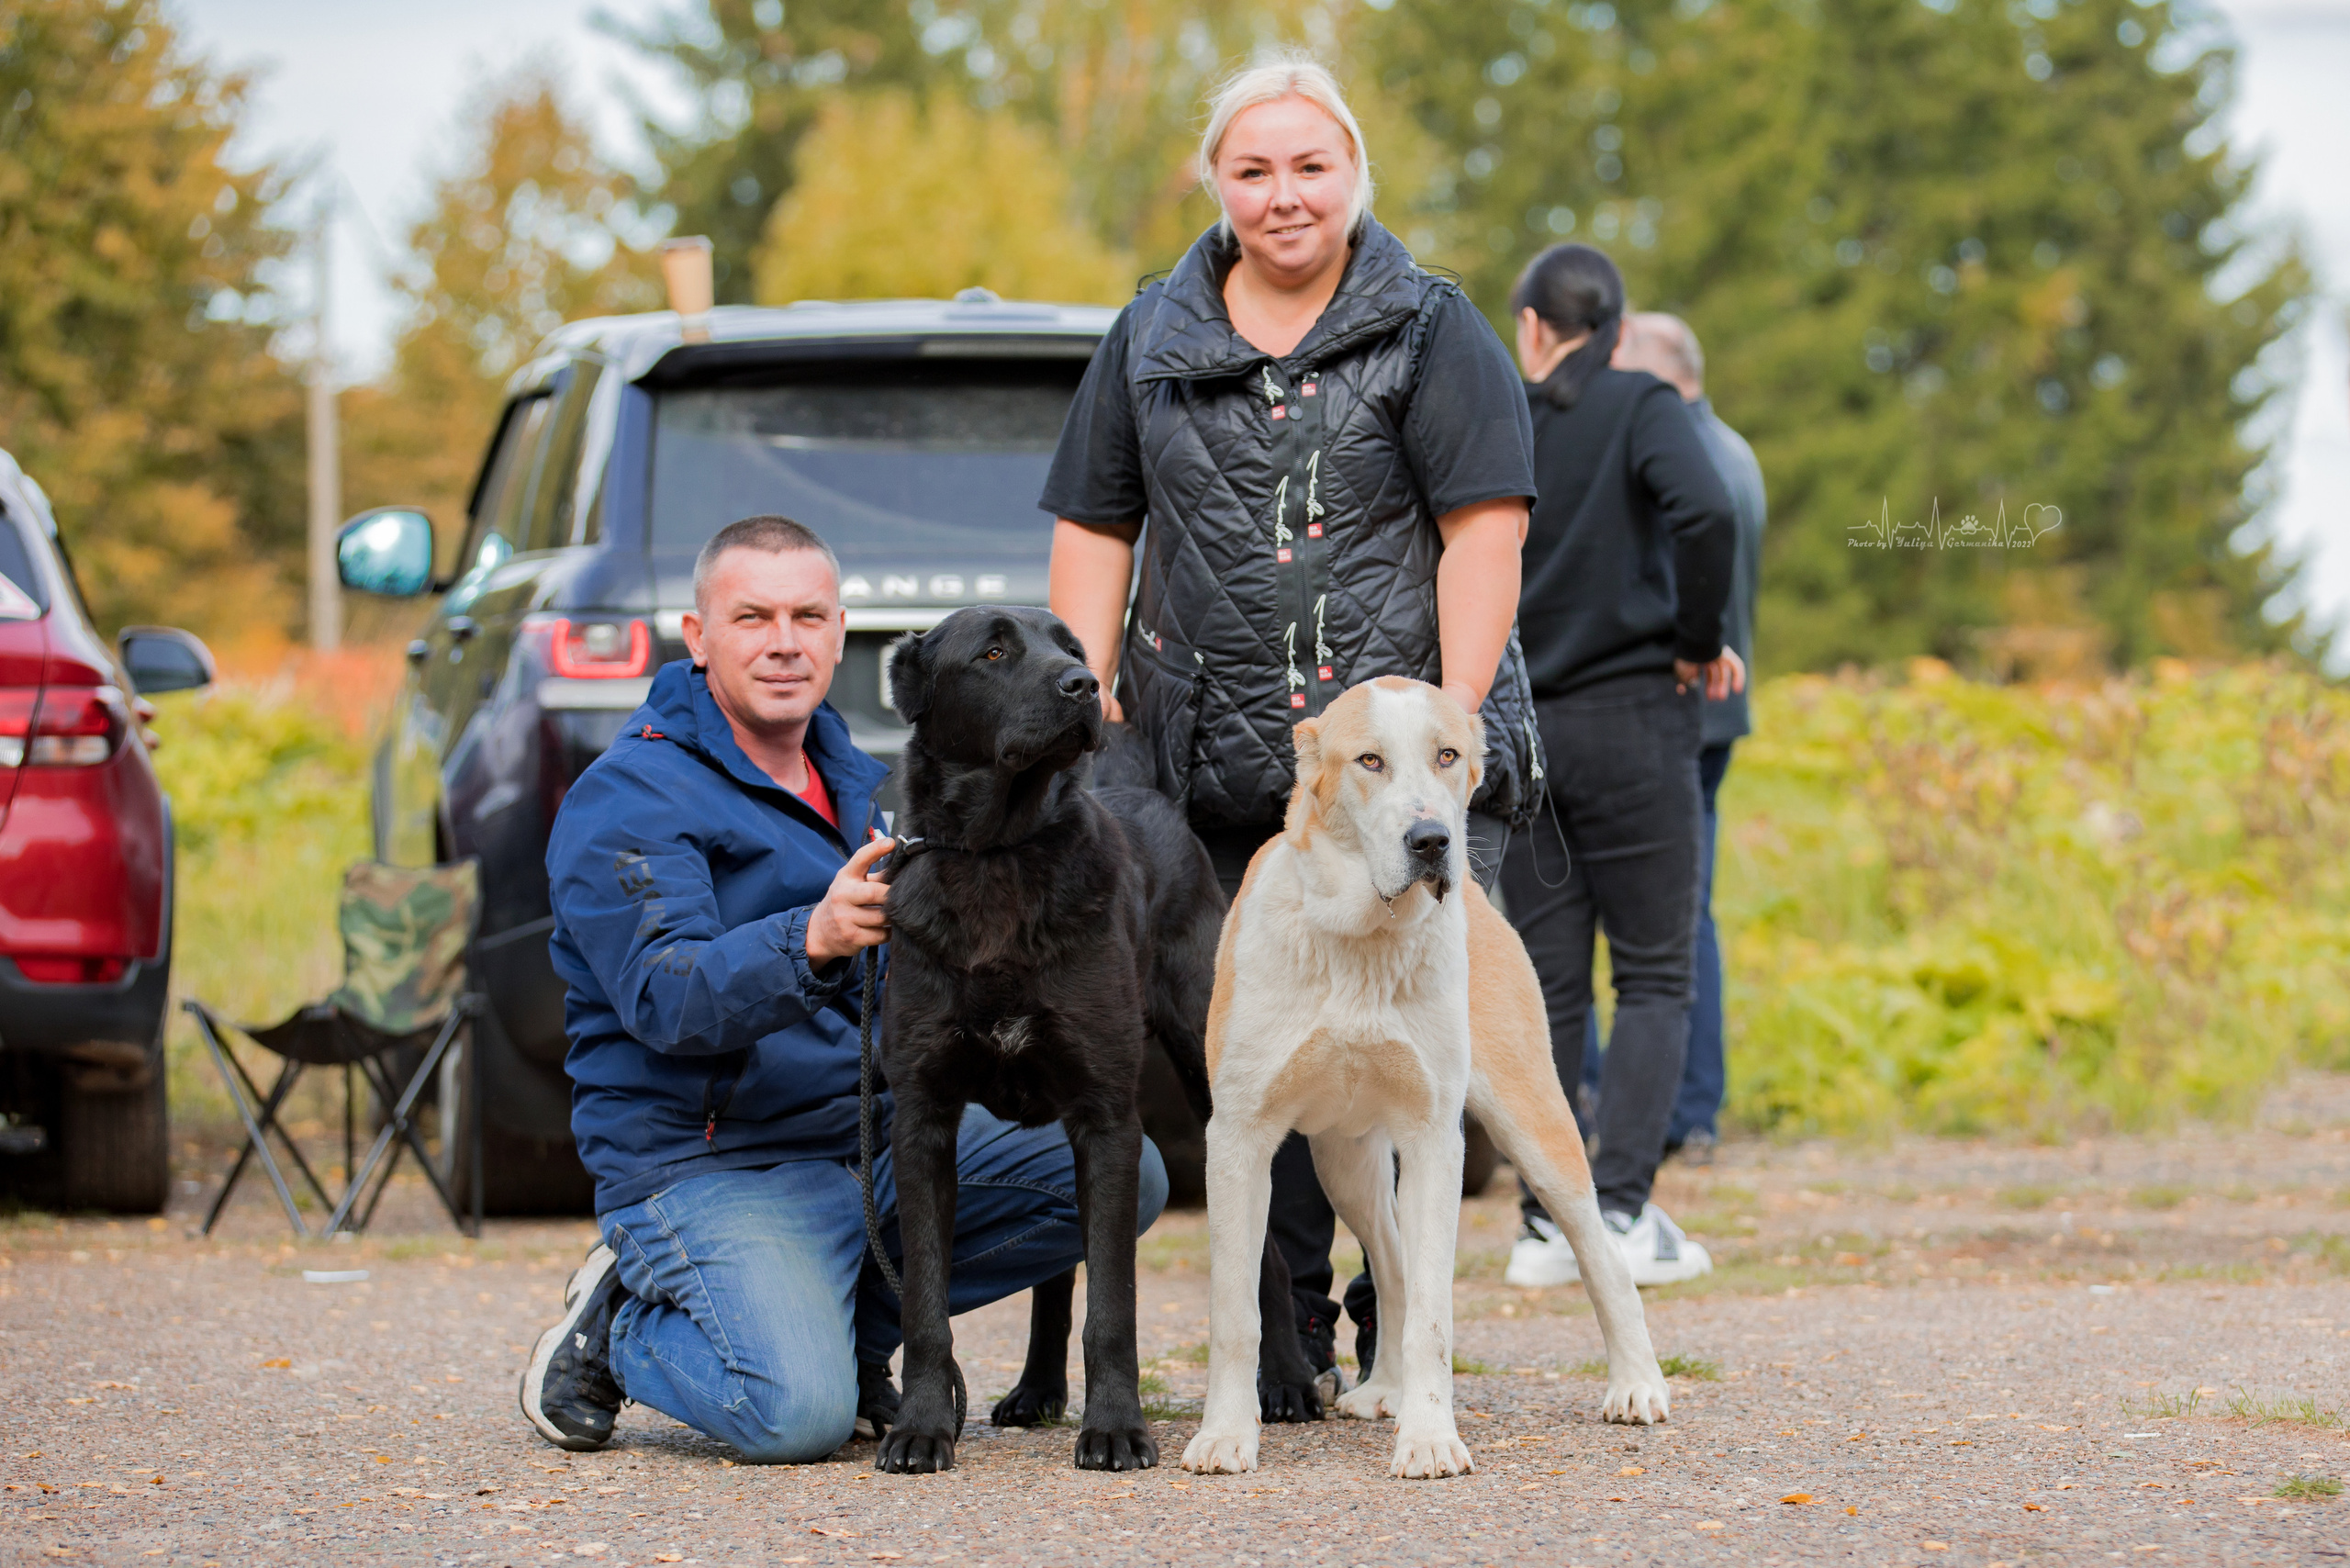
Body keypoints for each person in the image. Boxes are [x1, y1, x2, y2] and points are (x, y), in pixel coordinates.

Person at [1042, 51, 1539, 1383]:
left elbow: (1483, 533)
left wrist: (1459, 730)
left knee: (1400, 1054)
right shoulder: (1148, 333)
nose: (1283, 195)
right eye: (1253, 170)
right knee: (1262, 1047)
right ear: (1214, 183)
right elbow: (1094, 526)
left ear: (1355, 177)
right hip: (1201, 763)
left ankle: (1401, 1340)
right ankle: (1287, 1335)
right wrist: (1087, 686)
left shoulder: (1431, 326)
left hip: (1390, 772)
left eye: (1310, 166)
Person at [518, 514, 1169, 1462]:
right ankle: (619, 1330)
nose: (784, 641)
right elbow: (664, 997)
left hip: (853, 1150)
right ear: (698, 638)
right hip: (706, 1169)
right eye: (752, 617)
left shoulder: (870, 790)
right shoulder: (630, 796)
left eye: (807, 615)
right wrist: (810, 938)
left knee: (1127, 1173)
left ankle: (828, 1324)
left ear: (839, 634)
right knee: (797, 1413)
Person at [1493, 246, 1741, 1291]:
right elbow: (1708, 511)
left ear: (1536, 328)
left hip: (1528, 727)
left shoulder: (1503, 417)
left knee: (1546, 985)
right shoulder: (1643, 403)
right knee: (1650, 973)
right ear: (1614, 326)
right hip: (1639, 719)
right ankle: (1625, 1214)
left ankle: (1547, 1225)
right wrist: (1696, 634)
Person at [1612, 311, 1766, 1166]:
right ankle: (1695, 1104)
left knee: (1668, 917)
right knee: (1688, 906)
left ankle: (1678, 1106)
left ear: (1662, 371)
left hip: (1680, 703)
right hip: (1721, 711)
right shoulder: (1735, 450)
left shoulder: (1675, 458)